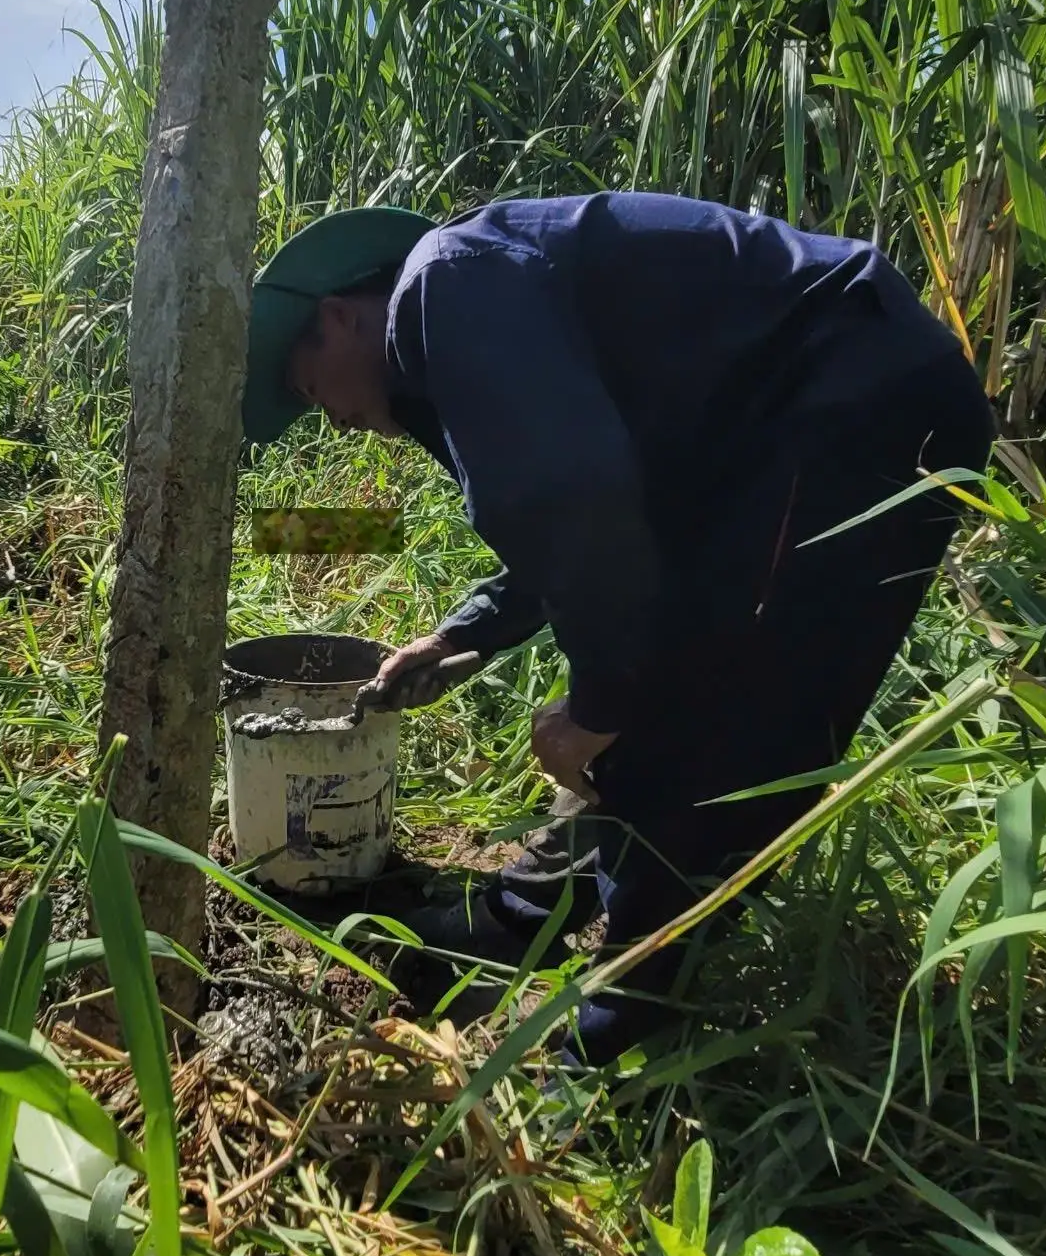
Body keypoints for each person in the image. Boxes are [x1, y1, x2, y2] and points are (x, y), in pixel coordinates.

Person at [240, 193, 995, 1063]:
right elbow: (569, 510)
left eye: (309, 390)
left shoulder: (442, 287)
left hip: (851, 405)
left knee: (734, 727)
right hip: (772, 435)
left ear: (337, 316)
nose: (331, 419)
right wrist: (462, 636)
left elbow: (571, 499)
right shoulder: (457, 310)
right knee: (672, 686)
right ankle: (519, 921)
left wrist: (596, 704)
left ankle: (613, 1051)